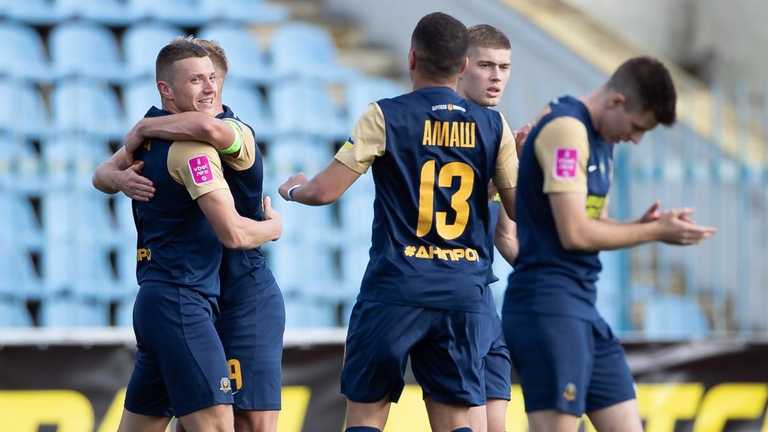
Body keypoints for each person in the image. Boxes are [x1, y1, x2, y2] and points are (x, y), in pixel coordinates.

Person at [277, 12, 518, 432]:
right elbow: (517, 209)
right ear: (463, 65)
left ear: (411, 57)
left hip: (396, 286)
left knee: (367, 413)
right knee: (455, 418)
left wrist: (295, 189)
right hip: (461, 292)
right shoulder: (494, 125)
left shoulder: (385, 115)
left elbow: (324, 192)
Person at [501, 56, 716, 432]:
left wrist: (643, 225)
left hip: (583, 306)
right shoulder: (567, 130)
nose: (636, 139)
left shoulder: (602, 140)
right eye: (636, 127)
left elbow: (592, 219)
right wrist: (654, 233)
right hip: (548, 307)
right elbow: (575, 233)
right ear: (617, 101)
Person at [92, 39, 281, 432]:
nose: (209, 89)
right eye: (197, 80)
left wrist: (143, 127)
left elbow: (208, 127)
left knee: (244, 422)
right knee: (218, 422)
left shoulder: (232, 132)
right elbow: (102, 174)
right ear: (167, 89)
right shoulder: (183, 147)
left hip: (238, 291)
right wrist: (119, 177)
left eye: (213, 79)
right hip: (187, 293)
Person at [456, 24, 517, 432]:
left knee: (497, 421)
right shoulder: (440, 125)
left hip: (484, 298)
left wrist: (547, 275)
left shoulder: (498, 127)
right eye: (486, 65)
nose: (496, 77)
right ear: (462, 66)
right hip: (452, 294)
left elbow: (506, 234)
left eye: (504, 67)